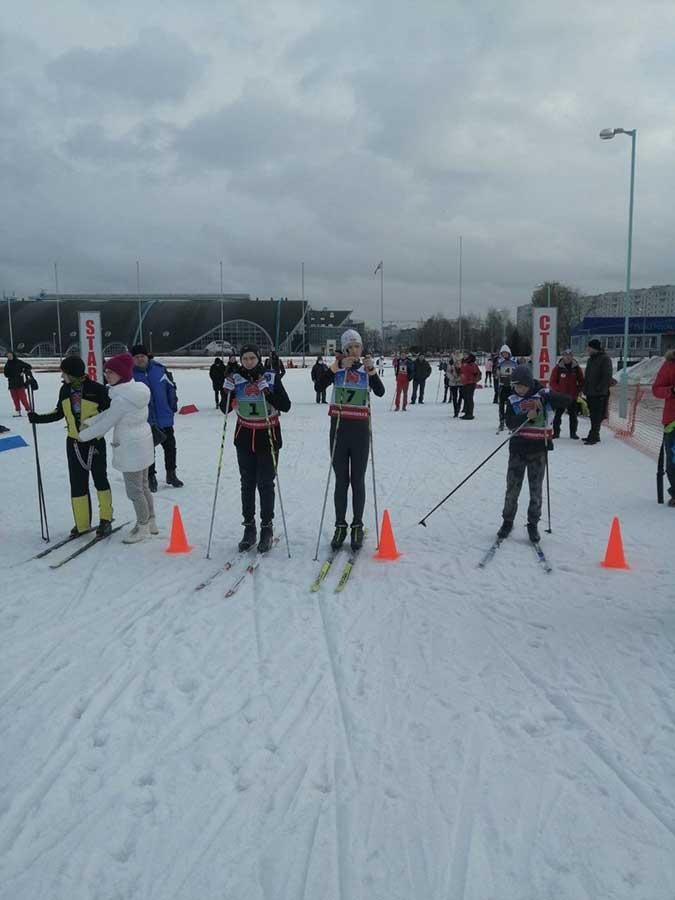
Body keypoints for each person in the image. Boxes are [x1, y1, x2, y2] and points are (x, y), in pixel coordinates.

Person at [315, 329, 385, 551]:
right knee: (341, 480)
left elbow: (381, 392)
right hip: (339, 430)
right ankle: (339, 525)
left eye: (358, 346)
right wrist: (337, 366)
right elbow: (318, 385)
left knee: (358, 480)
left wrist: (371, 370)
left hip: (360, 430)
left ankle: (357, 525)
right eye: (352, 347)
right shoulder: (336, 368)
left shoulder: (366, 368)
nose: (356, 350)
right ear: (344, 349)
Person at [27, 356, 113, 537]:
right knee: (77, 484)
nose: (62, 375)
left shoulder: (97, 389)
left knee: (100, 480)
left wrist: (95, 429)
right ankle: (82, 524)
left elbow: (109, 415)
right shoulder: (64, 390)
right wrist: (37, 418)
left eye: (64, 372)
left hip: (95, 443)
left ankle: (105, 519)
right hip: (73, 444)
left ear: (72, 373)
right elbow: (58, 413)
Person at [78, 353, 156, 544]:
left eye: (111, 372)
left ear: (121, 374)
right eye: (105, 371)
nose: (107, 375)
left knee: (134, 491)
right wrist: (90, 421)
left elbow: (107, 423)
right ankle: (151, 522)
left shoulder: (122, 399)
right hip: (142, 443)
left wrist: (82, 436)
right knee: (143, 486)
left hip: (131, 448)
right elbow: (108, 414)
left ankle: (143, 526)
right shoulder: (134, 392)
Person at [220, 345, 291, 553]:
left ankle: (266, 528)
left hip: (268, 437)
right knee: (247, 483)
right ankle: (249, 528)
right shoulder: (236, 378)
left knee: (265, 483)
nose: (249, 362)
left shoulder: (270, 376)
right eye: (245, 358)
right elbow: (224, 409)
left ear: (258, 359)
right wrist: (226, 390)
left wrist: (266, 390)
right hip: (244, 437)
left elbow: (285, 405)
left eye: (252, 358)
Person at [497, 366, 571, 543]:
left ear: (529, 383)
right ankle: (507, 521)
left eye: (521, 386)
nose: (518, 389)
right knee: (512, 488)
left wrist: (547, 397)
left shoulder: (543, 394)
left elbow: (567, 400)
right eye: (515, 385)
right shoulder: (512, 399)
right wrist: (525, 416)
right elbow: (510, 423)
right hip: (517, 449)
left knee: (535, 490)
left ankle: (533, 523)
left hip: (538, 450)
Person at [131, 344, 182, 491]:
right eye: (136, 357)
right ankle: (151, 477)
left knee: (170, 447)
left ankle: (171, 474)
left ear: (148, 356)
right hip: (145, 419)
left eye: (142, 356)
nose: (140, 359)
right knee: (148, 450)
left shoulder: (160, 369)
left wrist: (172, 405)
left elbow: (170, 388)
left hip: (164, 416)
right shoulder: (130, 375)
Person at [652, 349, 675, 507]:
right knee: (673, 461)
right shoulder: (669, 365)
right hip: (672, 421)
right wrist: (671, 391)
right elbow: (656, 389)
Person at [582, 339, 614, 445]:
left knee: (597, 415)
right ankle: (594, 435)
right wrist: (585, 388)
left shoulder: (605, 359)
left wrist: (599, 389)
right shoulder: (590, 360)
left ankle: (594, 436)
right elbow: (588, 376)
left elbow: (607, 376)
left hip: (599, 393)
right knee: (593, 415)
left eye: (589, 347)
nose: (588, 349)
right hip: (590, 393)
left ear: (595, 348)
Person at [550, 349, 584, 439]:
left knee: (573, 416)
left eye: (569, 355)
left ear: (572, 357)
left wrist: (578, 390)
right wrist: (558, 391)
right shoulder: (558, 368)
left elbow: (581, 381)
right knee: (557, 416)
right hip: (561, 397)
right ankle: (556, 433)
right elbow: (553, 382)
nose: (568, 357)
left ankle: (573, 433)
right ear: (563, 356)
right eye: (566, 355)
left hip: (572, 396)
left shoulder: (576, 368)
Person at [495, 345, 517, 431]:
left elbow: (517, 371)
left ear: (509, 353)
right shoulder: (500, 362)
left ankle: (510, 421)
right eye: (503, 353)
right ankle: (501, 421)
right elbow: (496, 373)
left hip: (511, 387)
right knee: (501, 405)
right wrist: (497, 373)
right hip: (502, 386)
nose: (504, 355)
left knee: (510, 405)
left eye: (506, 353)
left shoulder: (514, 362)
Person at [3, 351, 32, 416]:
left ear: (13, 355)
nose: (9, 357)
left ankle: (28, 410)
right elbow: (5, 374)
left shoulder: (18, 362)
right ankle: (18, 411)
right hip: (11, 384)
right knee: (15, 399)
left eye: (10, 355)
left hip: (20, 384)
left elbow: (29, 366)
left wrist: (23, 372)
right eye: (8, 356)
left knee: (23, 398)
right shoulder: (7, 364)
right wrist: (7, 374)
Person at [459, 352, 481, 419]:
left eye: (466, 355)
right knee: (466, 398)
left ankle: (470, 414)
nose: (464, 356)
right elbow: (462, 371)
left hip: (470, 383)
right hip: (465, 382)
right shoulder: (464, 363)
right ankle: (467, 413)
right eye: (464, 355)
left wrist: (473, 379)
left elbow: (475, 372)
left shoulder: (472, 364)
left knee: (469, 398)